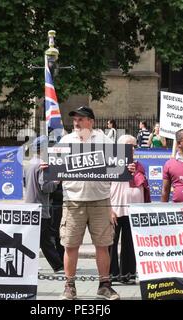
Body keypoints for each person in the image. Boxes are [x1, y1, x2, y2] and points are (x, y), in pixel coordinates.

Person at [54, 106, 135, 300]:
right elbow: (55, 178)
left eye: (81, 119)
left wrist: (127, 167)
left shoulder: (104, 141)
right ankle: (69, 286)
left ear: (91, 121)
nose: (76, 122)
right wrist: (48, 169)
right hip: (73, 201)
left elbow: (117, 169)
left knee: (103, 244)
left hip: (100, 201)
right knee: (70, 245)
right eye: (74, 119)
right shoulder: (65, 141)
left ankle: (104, 285)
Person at [109, 135, 151, 284]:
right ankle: (111, 275)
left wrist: (136, 173)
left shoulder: (139, 166)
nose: (132, 149)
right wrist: (108, 209)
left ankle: (127, 275)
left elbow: (142, 184)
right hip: (115, 209)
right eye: (129, 146)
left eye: (134, 146)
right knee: (110, 243)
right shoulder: (111, 163)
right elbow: (104, 188)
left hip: (133, 211)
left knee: (130, 244)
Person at [24, 135, 64, 273]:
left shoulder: (28, 163)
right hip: (41, 207)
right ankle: (58, 265)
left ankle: (30, 264)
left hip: (29, 205)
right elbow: (45, 187)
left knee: (35, 238)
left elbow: (25, 183)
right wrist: (57, 181)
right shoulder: (43, 164)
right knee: (45, 239)